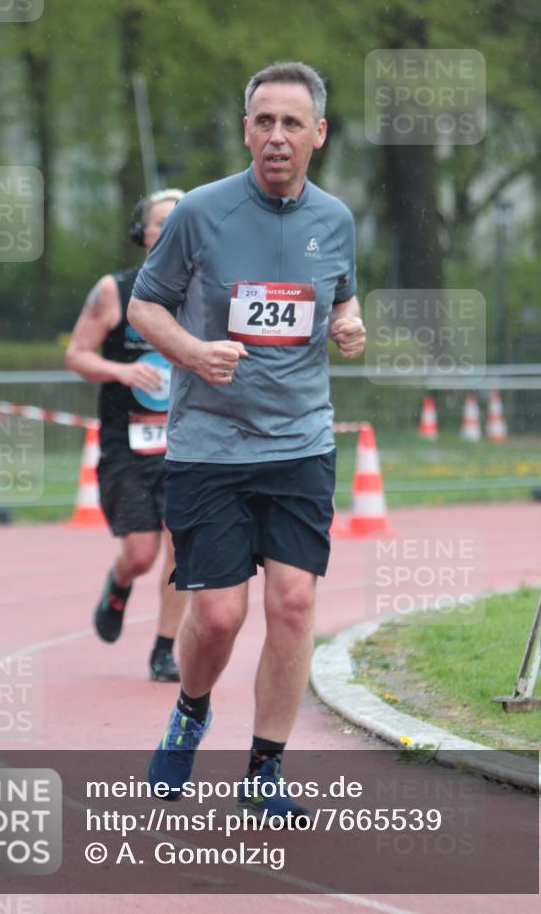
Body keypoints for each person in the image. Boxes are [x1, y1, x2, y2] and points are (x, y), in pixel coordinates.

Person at [128, 63, 366, 820]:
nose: (275, 136)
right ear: (245, 131)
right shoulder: (200, 213)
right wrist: (192, 354)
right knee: (221, 615)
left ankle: (264, 767)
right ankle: (192, 709)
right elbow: (144, 307)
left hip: (299, 443)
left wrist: (348, 321)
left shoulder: (335, 219)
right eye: (262, 121)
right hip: (210, 446)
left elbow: (340, 290)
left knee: (293, 604)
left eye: (291, 123)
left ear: (317, 135)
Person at [65, 189, 188, 682]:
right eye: (163, 222)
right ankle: (119, 584)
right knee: (141, 552)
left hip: (188, 443)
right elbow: (77, 354)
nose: (173, 230)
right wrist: (122, 373)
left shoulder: (207, 290)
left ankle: (164, 649)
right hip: (128, 443)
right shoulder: (115, 290)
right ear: (144, 236)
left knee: (184, 551)